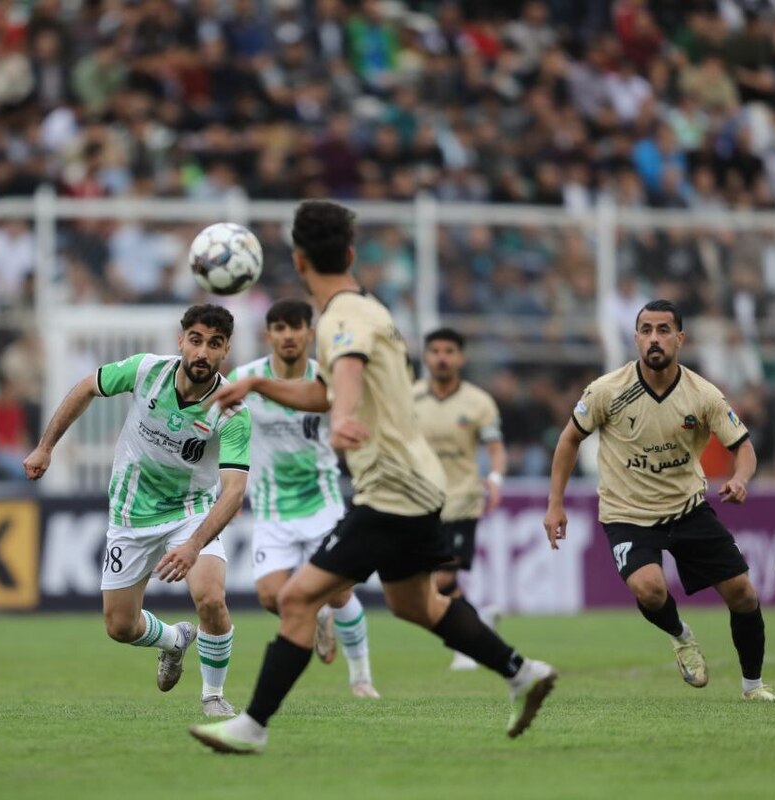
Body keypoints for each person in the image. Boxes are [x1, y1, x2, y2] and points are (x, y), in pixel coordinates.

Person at [190, 201, 556, 755]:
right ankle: (522, 671)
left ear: (298, 259)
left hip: (391, 489)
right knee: (416, 605)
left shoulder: (341, 320)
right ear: (352, 255)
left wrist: (342, 420)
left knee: (295, 600)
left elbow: (347, 374)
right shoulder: (367, 307)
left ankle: (253, 726)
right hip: (417, 482)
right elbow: (329, 388)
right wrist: (260, 387)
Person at [23, 304, 252, 717]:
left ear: (225, 352)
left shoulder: (232, 409)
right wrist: (46, 446)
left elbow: (234, 492)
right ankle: (173, 641)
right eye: (196, 340)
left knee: (211, 598)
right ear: (181, 340)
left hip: (190, 512)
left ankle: (213, 696)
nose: (202, 352)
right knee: (120, 626)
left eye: (214, 344)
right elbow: (86, 387)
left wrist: (195, 545)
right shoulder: (146, 370)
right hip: (131, 514)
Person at [544, 299, 775, 701]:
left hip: (687, 509)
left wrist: (740, 479)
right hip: (627, 514)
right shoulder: (606, 391)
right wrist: (555, 503)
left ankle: (753, 687)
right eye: (647, 330)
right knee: (650, 589)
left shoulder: (702, 395)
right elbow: (569, 439)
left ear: (679, 339)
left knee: (743, 593)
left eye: (664, 330)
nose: (655, 338)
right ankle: (681, 636)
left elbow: (743, 447)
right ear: (636, 338)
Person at [230, 298, 379, 699]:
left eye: (295, 327)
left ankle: (361, 677)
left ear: (309, 333)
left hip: (322, 502)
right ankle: (318, 619)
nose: (288, 335)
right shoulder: (245, 378)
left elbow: (357, 422)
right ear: (269, 335)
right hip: (271, 507)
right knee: (269, 597)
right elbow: (216, 419)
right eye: (279, 328)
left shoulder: (328, 381)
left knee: (341, 590)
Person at [413, 327, 507, 670]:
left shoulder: (478, 402)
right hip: (420, 502)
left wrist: (495, 479)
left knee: (443, 579)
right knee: (425, 588)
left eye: (448, 351)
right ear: (426, 356)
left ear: (460, 357)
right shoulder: (411, 399)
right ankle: (477, 626)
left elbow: (496, 449)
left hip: (462, 499)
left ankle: (469, 645)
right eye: (435, 350)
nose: (441, 357)